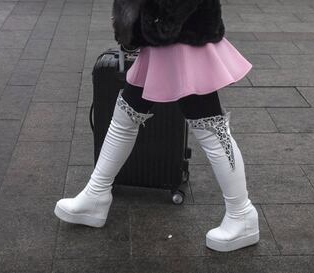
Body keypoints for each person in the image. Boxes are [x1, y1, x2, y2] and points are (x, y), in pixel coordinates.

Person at [54, 0, 260, 252]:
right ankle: (96, 193)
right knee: (126, 115)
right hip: (167, 33)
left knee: (210, 128)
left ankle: (242, 213)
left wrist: (152, 24)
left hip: (179, 35)